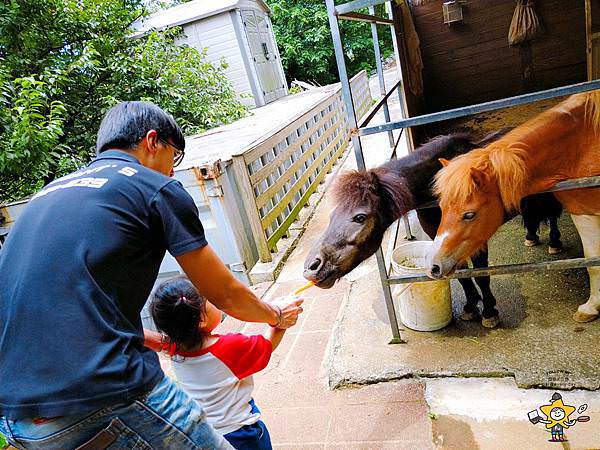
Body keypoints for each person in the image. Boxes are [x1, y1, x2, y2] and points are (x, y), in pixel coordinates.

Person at [0, 101, 303, 450]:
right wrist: (276, 315)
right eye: (173, 158)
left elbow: (66, 305)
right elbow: (226, 294)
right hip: (101, 396)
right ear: (152, 141)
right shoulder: (153, 188)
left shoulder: (46, 195)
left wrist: (152, 339)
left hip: (17, 417)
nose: (172, 172)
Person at [145, 276, 295, 450]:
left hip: (204, 432)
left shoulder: (172, 348)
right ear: (202, 319)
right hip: (241, 433)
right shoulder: (228, 348)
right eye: (211, 300)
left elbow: (146, 337)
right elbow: (267, 346)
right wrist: (281, 320)